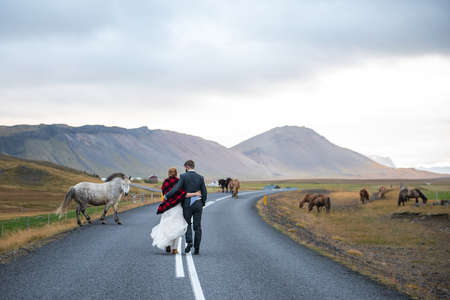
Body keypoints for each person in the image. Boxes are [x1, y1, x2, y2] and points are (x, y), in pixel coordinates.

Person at [151, 168, 201, 254]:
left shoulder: (165, 182)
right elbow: (183, 194)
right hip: (176, 207)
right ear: (176, 173)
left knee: (166, 226)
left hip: (166, 208)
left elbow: (164, 194)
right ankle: (174, 248)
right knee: (177, 227)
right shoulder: (179, 181)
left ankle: (167, 245)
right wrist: (196, 194)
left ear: (168, 173)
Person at [164, 160, 207, 255]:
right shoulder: (200, 177)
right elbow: (204, 192)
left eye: (185, 167)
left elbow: (176, 188)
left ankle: (189, 241)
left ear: (187, 167)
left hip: (187, 204)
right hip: (198, 204)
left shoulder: (183, 176)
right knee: (198, 226)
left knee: (187, 224)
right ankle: (197, 248)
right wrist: (202, 203)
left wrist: (167, 195)